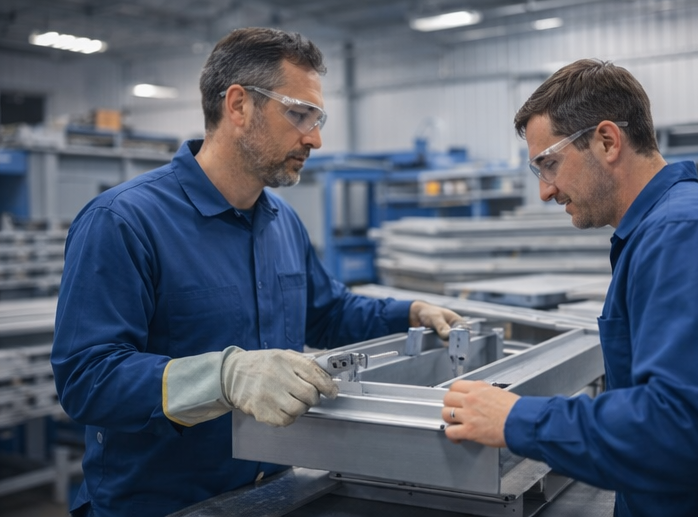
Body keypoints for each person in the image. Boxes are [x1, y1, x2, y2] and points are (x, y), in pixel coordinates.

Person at [51, 28, 463, 517]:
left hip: (274, 493)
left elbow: (326, 312)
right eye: (299, 114)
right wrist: (223, 376)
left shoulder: (280, 220)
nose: (315, 137)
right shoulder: (124, 221)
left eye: (318, 118)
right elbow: (86, 379)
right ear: (239, 106)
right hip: (161, 505)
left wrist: (410, 313)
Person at [438, 59, 698, 516]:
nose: (545, 192)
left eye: (549, 164)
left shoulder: (685, 235)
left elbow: (688, 437)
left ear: (607, 141)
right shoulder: (666, 229)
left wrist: (516, 419)